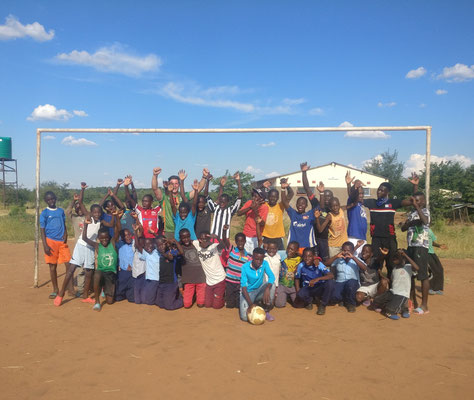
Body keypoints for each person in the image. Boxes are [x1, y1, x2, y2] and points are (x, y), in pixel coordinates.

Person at [349, 180, 415, 278]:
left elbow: (411, 202)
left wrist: (415, 185)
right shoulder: (372, 203)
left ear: (387, 192)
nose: (379, 192)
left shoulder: (393, 203)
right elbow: (354, 199)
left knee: (391, 264)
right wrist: (354, 187)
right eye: (378, 190)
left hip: (390, 239)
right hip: (376, 239)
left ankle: (391, 286)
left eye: (382, 190)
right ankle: (378, 285)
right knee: (376, 263)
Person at [54, 183, 102, 306]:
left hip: (90, 248)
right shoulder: (88, 217)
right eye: (94, 212)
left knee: (89, 272)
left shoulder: (100, 221)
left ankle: (85, 296)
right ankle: (60, 294)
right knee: (71, 269)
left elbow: (100, 205)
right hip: (81, 245)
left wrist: (107, 195)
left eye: (98, 212)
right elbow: (80, 202)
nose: (96, 214)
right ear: (91, 212)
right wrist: (82, 190)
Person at [81, 212, 121, 311]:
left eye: (106, 238)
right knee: (97, 274)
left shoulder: (112, 243)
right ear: (98, 238)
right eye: (102, 238)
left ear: (109, 237)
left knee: (110, 302)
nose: (104, 240)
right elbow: (84, 238)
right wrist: (85, 225)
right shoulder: (97, 246)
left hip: (111, 274)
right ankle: (97, 302)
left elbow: (118, 230)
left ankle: (104, 288)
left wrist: (116, 217)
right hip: (101, 271)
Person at [152, 168, 207, 238]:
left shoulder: (184, 196)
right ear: (168, 184)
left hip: (184, 231)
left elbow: (198, 189)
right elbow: (155, 189)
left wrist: (204, 177)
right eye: (172, 183)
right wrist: (155, 175)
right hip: (169, 231)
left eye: (176, 183)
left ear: (179, 184)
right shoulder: (164, 196)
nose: (174, 186)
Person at [401, 192, 431, 314]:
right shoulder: (411, 214)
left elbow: (425, 221)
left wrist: (418, 208)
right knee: (411, 274)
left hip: (421, 247)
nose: (415, 203)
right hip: (411, 247)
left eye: (418, 201)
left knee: (422, 275)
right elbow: (403, 228)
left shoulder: (425, 211)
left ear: (423, 202)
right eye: (414, 201)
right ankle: (412, 301)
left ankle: (424, 305)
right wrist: (408, 223)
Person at [40, 191, 72, 299]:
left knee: (69, 265)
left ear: (55, 198)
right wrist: (45, 245)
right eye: (49, 200)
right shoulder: (44, 213)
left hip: (62, 242)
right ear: (46, 201)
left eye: (52, 199)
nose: (51, 201)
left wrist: (66, 233)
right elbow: (42, 230)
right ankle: (55, 289)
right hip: (50, 242)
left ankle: (69, 287)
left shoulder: (60, 211)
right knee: (53, 266)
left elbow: (64, 224)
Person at [372, 249, 419, 320]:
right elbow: (392, 282)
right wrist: (382, 275)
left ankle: (402, 310)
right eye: (393, 258)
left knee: (390, 310)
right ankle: (401, 308)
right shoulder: (394, 269)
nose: (394, 259)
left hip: (402, 294)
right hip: (392, 292)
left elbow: (417, 268)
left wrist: (405, 255)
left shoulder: (408, 267)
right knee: (376, 300)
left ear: (403, 259)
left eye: (397, 258)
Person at [300, 162, 331, 260]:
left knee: (324, 262)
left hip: (325, 240)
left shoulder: (331, 209)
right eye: (324, 195)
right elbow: (307, 188)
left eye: (328, 196)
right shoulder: (315, 203)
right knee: (312, 261)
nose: (326, 198)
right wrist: (304, 172)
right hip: (312, 238)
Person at [326, 241, 367, 312]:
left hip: (352, 282)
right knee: (334, 296)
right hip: (340, 282)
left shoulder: (355, 259)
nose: (346, 252)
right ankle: (343, 298)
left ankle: (350, 304)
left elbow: (364, 268)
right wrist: (336, 256)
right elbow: (326, 264)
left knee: (350, 286)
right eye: (344, 250)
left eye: (348, 251)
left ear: (352, 251)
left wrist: (353, 257)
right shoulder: (338, 259)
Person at [294, 247, 335, 315]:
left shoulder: (318, 264)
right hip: (308, 288)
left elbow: (331, 275)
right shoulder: (301, 265)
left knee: (330, 283)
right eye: (305, 256)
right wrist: (298, 291)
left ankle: (323, 305)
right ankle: (309, 301)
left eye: (310, 256)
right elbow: (297, 278)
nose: (307, 258)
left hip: (319, 287)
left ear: (314, 257)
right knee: (300, 295)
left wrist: (318, 279)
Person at [239, 247, 276, 322]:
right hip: (248, 293)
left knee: (272, 285)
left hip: (259, 290)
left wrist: (267, 288)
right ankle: (254, 304)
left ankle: (266, 310)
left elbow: (272, 277)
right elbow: (244, 288)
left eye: (261, 260)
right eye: (256, 259)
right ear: (252, 257)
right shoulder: (245, 267)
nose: (259, 262)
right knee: (245, 318)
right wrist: (251, 305)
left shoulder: (265, 264)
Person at [173, 228, 207, 308]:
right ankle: (192, 297)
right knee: (187, 305)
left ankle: (198, 298)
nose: (186, 239)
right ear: (180, 238)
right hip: (188, 279)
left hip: (200, 277)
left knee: (201, 304)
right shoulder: (179, 247)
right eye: (184, 238)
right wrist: (175, 242)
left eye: (188, 237)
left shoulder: (196, 244)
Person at [193, 231, 226, 309]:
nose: (204, 241)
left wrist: (217, 237)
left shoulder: (213, 247)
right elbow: (187, 241)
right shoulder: (196, 244)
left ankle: (223, 298)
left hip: (219, 279)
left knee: (216, 306)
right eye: (202, 239)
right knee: (207, 305)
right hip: (209, 282)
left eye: (206, 239)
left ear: (209, 240)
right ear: (199, 240)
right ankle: (218, 296)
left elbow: (223, 246)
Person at [280, 179, 316, 253]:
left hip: (307, 246)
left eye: (303, 204)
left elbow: (318, 205)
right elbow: (284, 202)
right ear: (296, 205)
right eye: (299, 204)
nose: (300, 205)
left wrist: (321, 193)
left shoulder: (310, 214)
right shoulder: (293, 214)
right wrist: (283, 189)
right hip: (294, 247)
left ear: (306, 205)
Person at [207, 172, 242, 240]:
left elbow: (239, 198)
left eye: (224, 202)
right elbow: (207, 196)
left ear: (227, 202)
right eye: (221, 202)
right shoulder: (215, 208)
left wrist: (238, 181)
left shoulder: (230, 210)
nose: (222, 203)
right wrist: (221, 186)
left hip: (224, 239)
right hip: (213, 238)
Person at [222, 232, 251, 309]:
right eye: (238, 241)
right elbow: (225, 240)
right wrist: (224, 231)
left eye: (242, 241)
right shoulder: (232, 250)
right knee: (230, 305)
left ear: (245, 241)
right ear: (235, 241)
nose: (240, 243)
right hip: (230, 281)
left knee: (238, 305)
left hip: (239, 283)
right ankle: (227, 300)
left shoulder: (248, 256)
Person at [261, 184, 293, 250]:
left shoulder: (280, 206)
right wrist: (262, 187)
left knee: (279, 257)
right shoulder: (264, 205)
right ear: (268, 197)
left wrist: (286, 187)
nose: (273, 198)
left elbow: (291, 194)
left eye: (275, 197)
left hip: (278, 238)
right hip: (265, 237)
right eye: (271, 196)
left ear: (278, 198)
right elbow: (256, 194)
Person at [155, 238, 183, 310]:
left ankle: (184, 300)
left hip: (171, 283)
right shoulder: (159, 254)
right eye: (159, 246)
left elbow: (181, 252)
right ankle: (175, 295)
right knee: (160, 304)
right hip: (162, 283)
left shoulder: (171, 252)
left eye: (162, 244)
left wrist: (174, 241)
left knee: (169, 306)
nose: (161, 247)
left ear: (166, 244)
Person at [65, 192, 84, 295]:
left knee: (88, 268)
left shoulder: (88, 217)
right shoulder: (74, 219)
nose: (79, 210)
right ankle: (80, 289)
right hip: (79, 247)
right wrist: (74, 201)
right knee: (80, 269)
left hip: (88, 247)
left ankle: (86, 286)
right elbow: (67, 212)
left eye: (81, 207)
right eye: (77, 208)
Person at [237, 188, 268, 253]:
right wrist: (250, 207)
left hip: (256, 236)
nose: (253, 198)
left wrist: (255, 210)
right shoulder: (249, 203)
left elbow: (262, 223)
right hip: (246, 234)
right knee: (244, 255)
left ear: (261, 199)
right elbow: (239, 213)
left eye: (255, 196)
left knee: (254, 256)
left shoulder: (264, 207)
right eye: (253, 196)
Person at [345, 171, 367, 257]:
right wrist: (349, 185)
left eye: (362, 193)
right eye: (359, 193)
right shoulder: (352, 204)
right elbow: (351, 196)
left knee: (361, 263)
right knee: (352, 260)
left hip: (362, 238)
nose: (360, 195)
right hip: (354, 238)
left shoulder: (361, 205)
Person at [134, 233, 161, 306]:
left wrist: (155, 234)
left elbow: (161, 241)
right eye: (145, 245)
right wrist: (135, 232)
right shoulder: (146, 254)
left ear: (154, 244)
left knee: (149, 302)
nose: (148, 247)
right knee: (143, 300)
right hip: (148, 280)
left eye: (150, 244)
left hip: (156, 280)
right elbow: (137, 245)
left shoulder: (158, 252)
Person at [275, 241, 301, 308]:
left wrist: (300, 254)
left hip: (293, 286)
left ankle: (289, 296)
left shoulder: (300, 259)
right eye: (288, 248)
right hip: (282, 285)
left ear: (297, 250)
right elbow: (272, 251)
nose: (289, 251)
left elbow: (309, 256)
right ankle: (284, 296)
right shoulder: (283, 256)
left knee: (298, 305)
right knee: (279, 305)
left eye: (292, 249)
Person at [115, 228, 135, 303]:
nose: (128, 237)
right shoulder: (120, 245)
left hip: (133, 272)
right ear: (122, 237)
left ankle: (129, 293)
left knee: (132, 298)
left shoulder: (135, 244)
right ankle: (122, 294)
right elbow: (116, 234)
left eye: (129, 234)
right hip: (123, 272)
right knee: (118, 296)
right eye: (125, 236)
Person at [427, 228, 447, 295]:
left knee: (440, 269)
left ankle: (437, 288)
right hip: (425, 253)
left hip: (431, 252)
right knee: (433, 270)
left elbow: (431, 241)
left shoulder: (429, 230)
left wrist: (439, 245)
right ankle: (430, 288)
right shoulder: (422, 230)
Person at [195, 172, 213, 238]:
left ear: (205, 202)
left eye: (202, 202)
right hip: (196, 237)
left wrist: (207, 181)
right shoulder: (195, 210)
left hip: (206, 237)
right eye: (198, 202)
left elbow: (206, 194)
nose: (200, 204)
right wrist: (196, 190)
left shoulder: (208, 209)